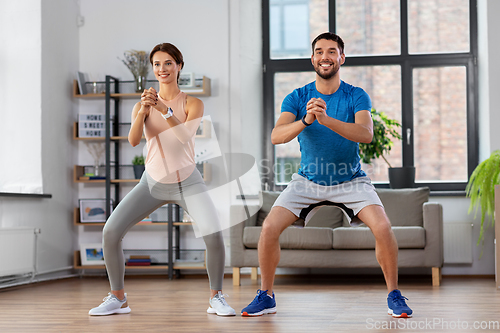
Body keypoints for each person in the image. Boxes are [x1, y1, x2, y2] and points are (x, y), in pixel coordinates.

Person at [241, 32, 412, 318]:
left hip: (351, 180)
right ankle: (266, 295)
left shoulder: (356, 95)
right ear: (312, 58)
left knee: (383, 227)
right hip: (307, 182)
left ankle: (394, 294)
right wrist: (306, 120)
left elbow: (366, 134)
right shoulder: (297, 96)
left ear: (341, 58)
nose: (325, 56)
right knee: (269, 228)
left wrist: (326, 120)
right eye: (319, 51)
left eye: (332, 51)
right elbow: (276, 136)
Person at [89, 43, 235, 316]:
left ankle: (217, 297)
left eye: (168, 63)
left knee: (214, 235)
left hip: (188, 182)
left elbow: (184, 138)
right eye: (157, 64)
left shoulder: (193, 103)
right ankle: (118, 298)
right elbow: (133, 141)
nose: (162, 69)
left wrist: (164, 110)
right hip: (152, 182)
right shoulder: (142, 104)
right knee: (110, 232)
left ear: (179, 66)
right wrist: (144, 112)